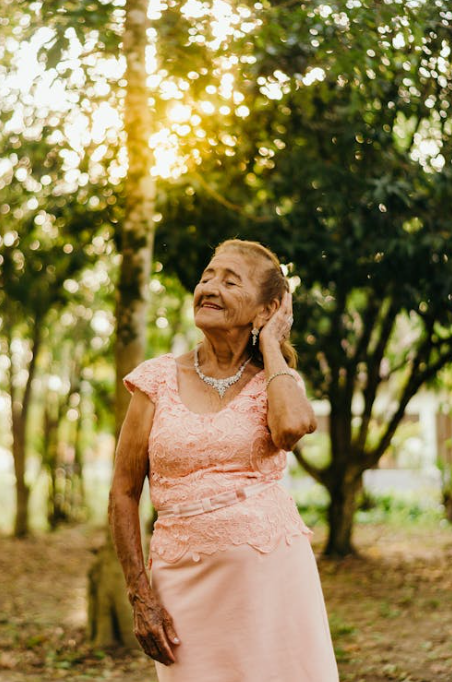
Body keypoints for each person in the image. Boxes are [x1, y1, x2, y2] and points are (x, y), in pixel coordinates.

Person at [108, 239, 340, 682]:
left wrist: (271, 342)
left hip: (273, 576)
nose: (209, 288)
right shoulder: (156, 380)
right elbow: (122, 492)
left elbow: (291, 428)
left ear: (264, 308)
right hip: (181, 582)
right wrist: (140, 595)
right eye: (207, 277)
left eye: (230, 281)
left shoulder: (276, 382)